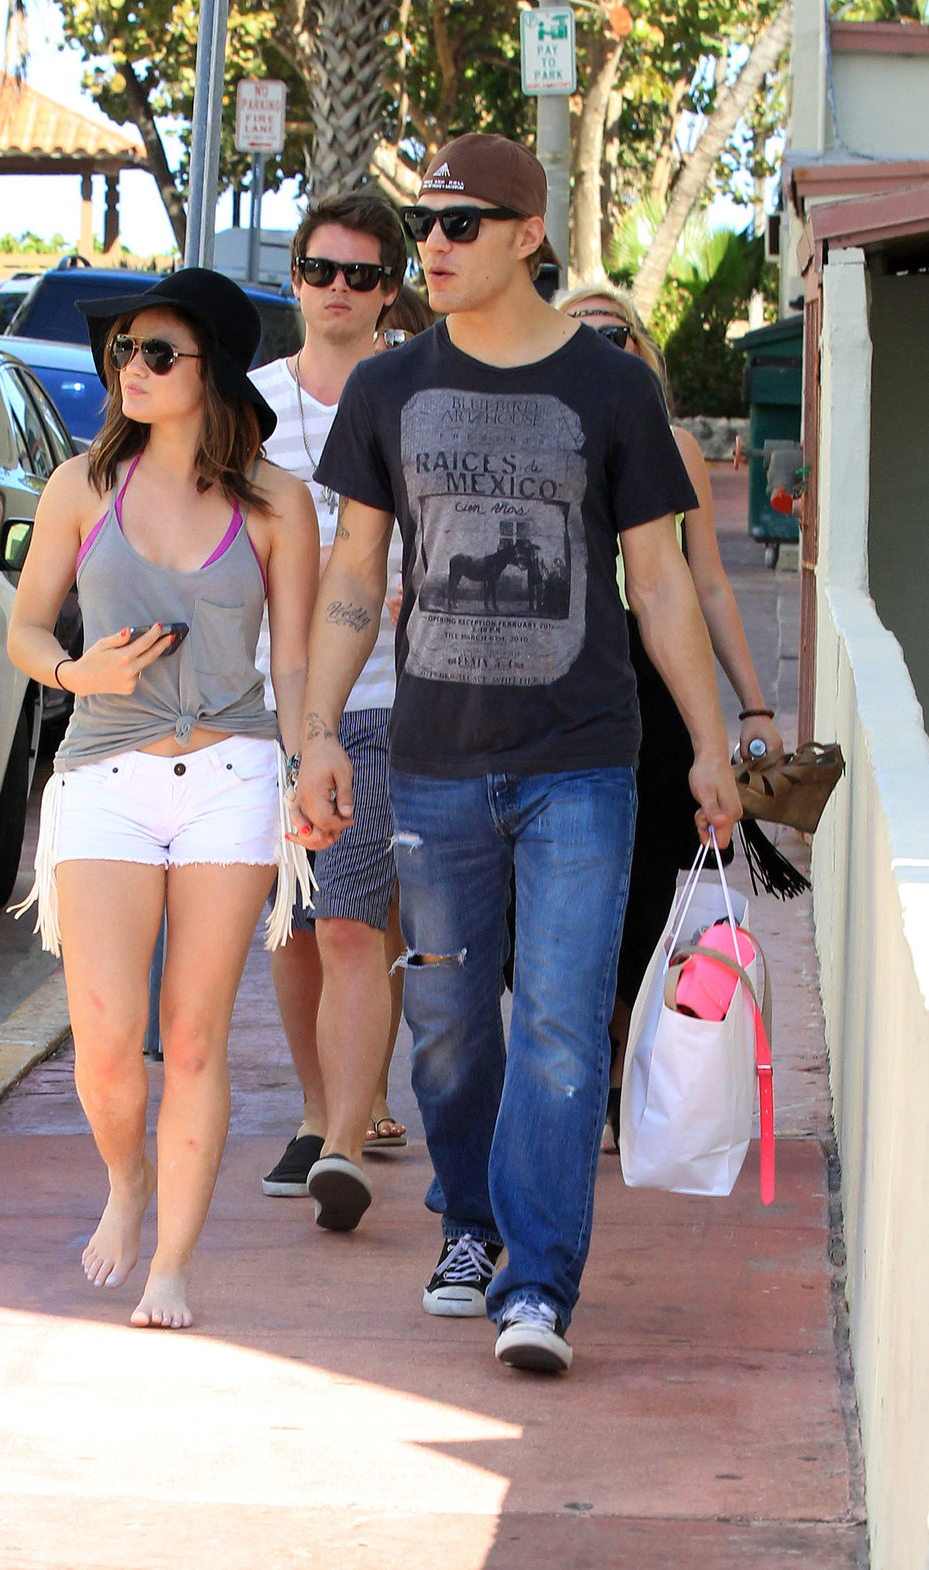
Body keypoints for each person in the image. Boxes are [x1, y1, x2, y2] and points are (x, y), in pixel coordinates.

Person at [294, 132, 742, 1375]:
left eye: (459, 225)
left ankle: (536, 1282)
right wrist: (320, 733)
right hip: (434, 759)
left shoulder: (611, 389)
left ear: (527, 235)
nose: (429, 247)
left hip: (583, 761)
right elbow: (351, 578)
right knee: (445, 1020)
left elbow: (658, 581)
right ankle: (470, 1219)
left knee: (556, 1026)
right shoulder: (388, 390)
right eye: (421, 225)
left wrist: (713, 746)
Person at [7, 269, 318, 1329]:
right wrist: (72, 673)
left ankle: (173, 1259)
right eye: (122, 351)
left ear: (211, 373)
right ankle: (126, 1180)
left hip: (232, 773)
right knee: (105, 1040)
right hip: (102, 775)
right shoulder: (79, 488)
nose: (129, 368)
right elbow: (26, 630)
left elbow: (305, 666)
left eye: (155, 352)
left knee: (192, 1037)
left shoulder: (276, 503)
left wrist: (318, 757)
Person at [556, 282, 784, 1150]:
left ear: (643, 350)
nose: (602, 349)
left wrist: (747, 709)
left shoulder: (674, 443)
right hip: (558, 680)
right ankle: (579, 1053)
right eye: (580, 334)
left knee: (646, 881)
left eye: (617, 336)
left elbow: (706, 585)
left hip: (651, 680)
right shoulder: (538, 424)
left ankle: (617, 1067)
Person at [251, 192, 411, 1228]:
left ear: (390, 288)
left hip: (382, 696)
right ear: (295, 279)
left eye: (360, 274)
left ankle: (346, 1138)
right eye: (321, 271)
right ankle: (318, 1112)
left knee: (354, 922)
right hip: (260, 703)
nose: (339, 290)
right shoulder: (251, 404)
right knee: (292, 928)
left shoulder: (417, 392)